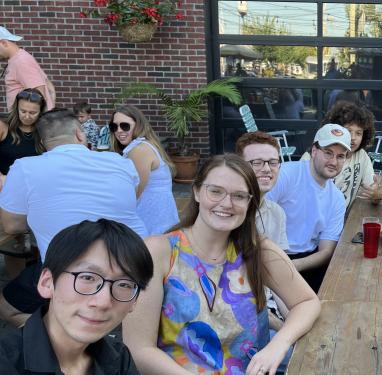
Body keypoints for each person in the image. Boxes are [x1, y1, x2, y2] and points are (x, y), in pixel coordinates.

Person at [122, 154, 320, 374]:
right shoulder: (159, 251)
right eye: (215, 191)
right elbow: (138, 348)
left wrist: (278, 345)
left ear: (249, 202)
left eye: (239, 196)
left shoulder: (258, 251)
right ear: (197, 191)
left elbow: (307, 302)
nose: (226, 203)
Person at [0, 109, 148, 327]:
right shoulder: (120, 162)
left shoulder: (25, 167)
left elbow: (11, 225)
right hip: (134, 259)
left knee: (6, 307)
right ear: (80, 135)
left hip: (71, 270)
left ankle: (62, 332)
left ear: (41, 144)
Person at [0, 219, 153, 374]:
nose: (103, 302)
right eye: (87, 277)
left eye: (124, 285)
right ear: (47, 283)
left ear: (135, 301)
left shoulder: (119, 359)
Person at [268, 123, 350, 292]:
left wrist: (292, 267)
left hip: (307, 263)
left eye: (340, 156)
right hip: (271, 255)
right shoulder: (286, 175)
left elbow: (326, 251)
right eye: (328, 153)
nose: (334, 161)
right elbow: (256, 218)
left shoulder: (337, 198)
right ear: (314, 151)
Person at [235, 131, 292, 373]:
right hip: (243, 321)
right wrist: (284, 329)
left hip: (271, 312)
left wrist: (294, 317)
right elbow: (239, 302)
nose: (266, 169)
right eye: (256, 163)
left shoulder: (276, 212)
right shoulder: (230, 216)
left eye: (272, 162)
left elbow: (281, 279)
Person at [301, 101, 382, 210]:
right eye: (348, 131)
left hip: (343, 221)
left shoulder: (361, 155)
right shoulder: (311, 157)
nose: (353, 138)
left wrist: (377, 195)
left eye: (358, 133)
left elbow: (373, 190)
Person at [110, 105, 179, 235]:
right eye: (114, 127)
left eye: (125, 126)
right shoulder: (142, 145)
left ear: (138, 125)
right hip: (158, 216)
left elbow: (133, 193)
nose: (119, 130)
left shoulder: (139, 149)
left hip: (151, 218)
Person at [0, 88, 46, 278]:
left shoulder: (44, 131)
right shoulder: (4, 127)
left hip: (37, 195)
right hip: (7, 194)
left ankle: (36, 282)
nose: (27, 116)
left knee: (37, 242)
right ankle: (16, 282)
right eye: (23, 111)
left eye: (33, 112)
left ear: (41, 111)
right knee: (13, 243)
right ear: (16, 108)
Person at [0, 26, 55, 111]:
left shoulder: (21, 61)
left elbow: (40, 95)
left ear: (3, 43)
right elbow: (49, 87)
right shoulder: (18, 58)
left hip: (29, 123)